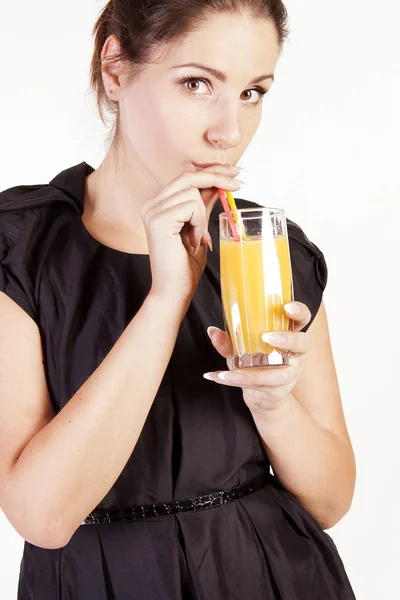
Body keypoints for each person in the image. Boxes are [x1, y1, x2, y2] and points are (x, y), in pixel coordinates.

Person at [0, 0, 357, 598]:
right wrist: (167, 299)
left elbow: (331, 500)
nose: (230, 131)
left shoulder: (269, 249)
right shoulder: (22, 250)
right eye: (197, 83)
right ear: (115, 68)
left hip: (271, 577)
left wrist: (274, 407)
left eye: (253, 92)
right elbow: (44, 518)